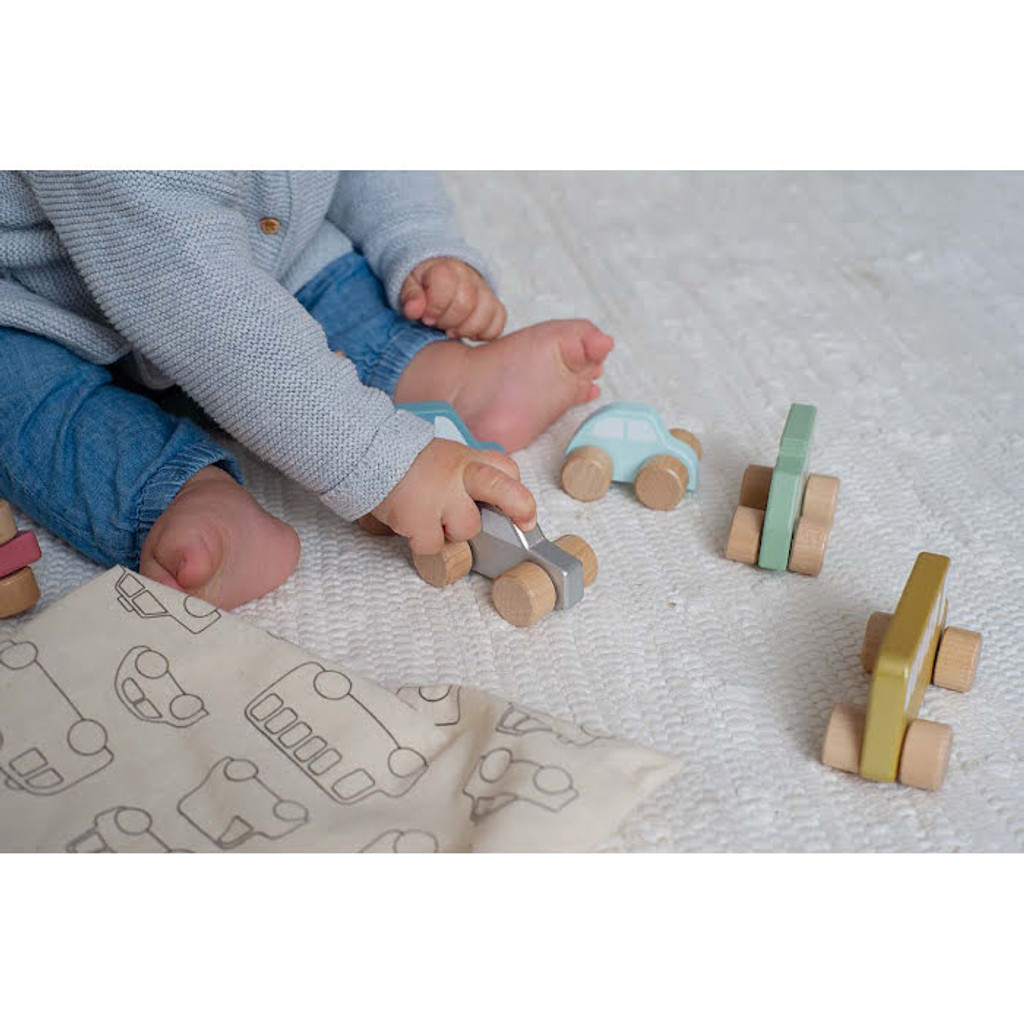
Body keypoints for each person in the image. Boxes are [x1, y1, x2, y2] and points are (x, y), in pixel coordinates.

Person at [0, 171, 613, 608]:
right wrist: (386, 462)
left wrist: (419, 240)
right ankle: (174, 492)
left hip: (257, 248)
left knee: (328, 281)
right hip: (41, 307)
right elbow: (201, 303)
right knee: (27, 402)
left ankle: (441, 376)